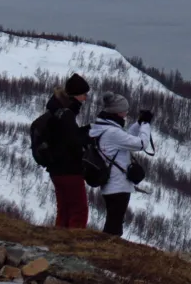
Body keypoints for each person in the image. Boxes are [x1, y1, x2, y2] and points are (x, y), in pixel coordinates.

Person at [89, 92, 153, 237]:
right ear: (117, 112)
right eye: (124, 110)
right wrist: (146, 124)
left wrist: (138, 124)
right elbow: (141, 144)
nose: (126, 113)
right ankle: (109, 252)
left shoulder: (102, 127)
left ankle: (108, 249)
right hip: (117, 184)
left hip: (109, 183)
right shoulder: (112, 132)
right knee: (114, 224)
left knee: (113, 220)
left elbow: (125, 138)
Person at [45, 73, 92, 229]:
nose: (85, 99)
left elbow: (64, 136)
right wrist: (87, 139)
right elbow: (73, 142)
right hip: (69, 169)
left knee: (64, 210)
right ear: (76, 95)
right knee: (78, 211)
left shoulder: (56, 110)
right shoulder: (67, 115)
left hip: (55, 169)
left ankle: (58, 244)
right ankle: (73, 247)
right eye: (84, 95)